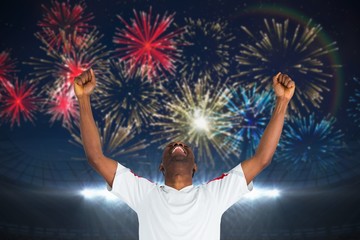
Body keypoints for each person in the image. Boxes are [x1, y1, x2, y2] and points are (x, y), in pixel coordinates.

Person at [74, 69, 295, 240]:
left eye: (184, 145)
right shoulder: (144, 193)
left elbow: (261, 159)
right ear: (161, 166)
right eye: (172, 145)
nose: (179, 143)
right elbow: (96, 157)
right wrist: (83, 99)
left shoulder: (213, 194)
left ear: (195, 167)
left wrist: (282, 102)